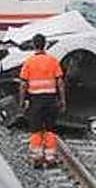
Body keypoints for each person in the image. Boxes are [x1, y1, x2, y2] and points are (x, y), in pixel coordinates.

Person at [18, 34, 65, 168]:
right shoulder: (53, 61)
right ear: (45, 45)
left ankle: (37, 158)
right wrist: (62, 100)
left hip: (35, 100)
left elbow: (23, 84)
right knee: (50, 129)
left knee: (36, 129)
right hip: (51, 99)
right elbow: (60, 83)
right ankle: (50, 158)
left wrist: (22, 101)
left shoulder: (29, 62)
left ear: (33, 45)